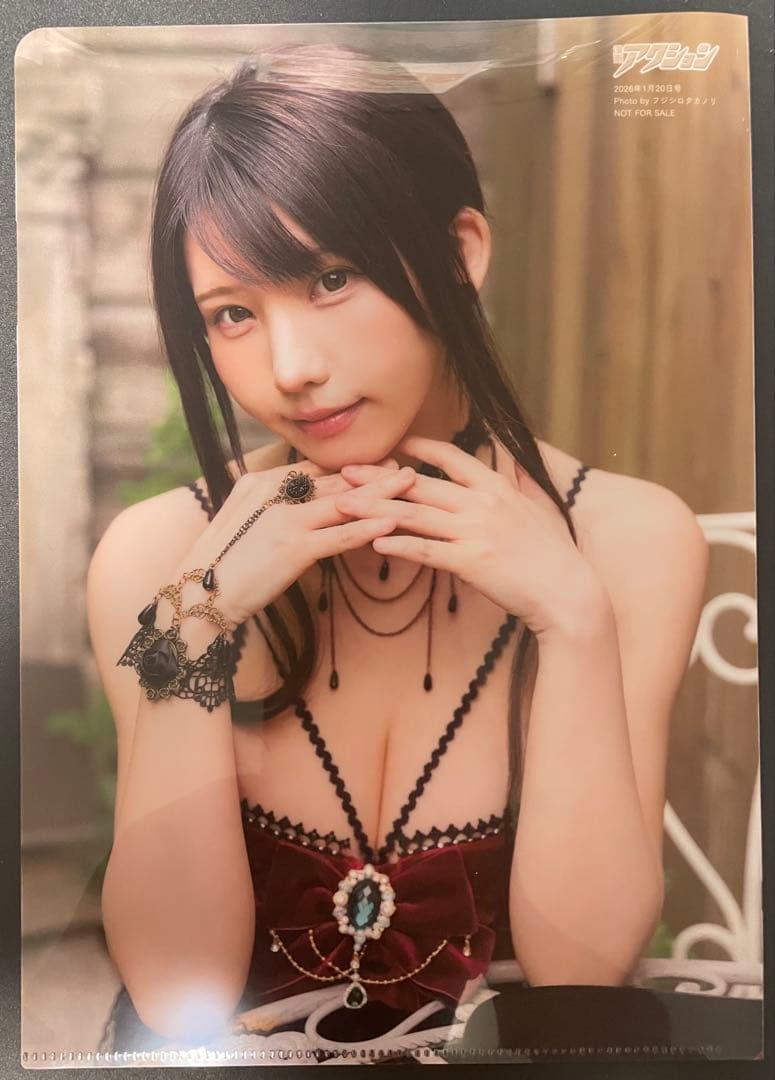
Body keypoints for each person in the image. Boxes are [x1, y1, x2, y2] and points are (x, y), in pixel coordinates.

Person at [88, 44, 709, 1056]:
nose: (291, 367)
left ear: (459, 253)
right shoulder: (157, 554)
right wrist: (197, 622)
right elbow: (173, 991)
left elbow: (581, 975)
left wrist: (572, 620)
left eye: (330, 278)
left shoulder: (630, 541)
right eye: (233, 314)